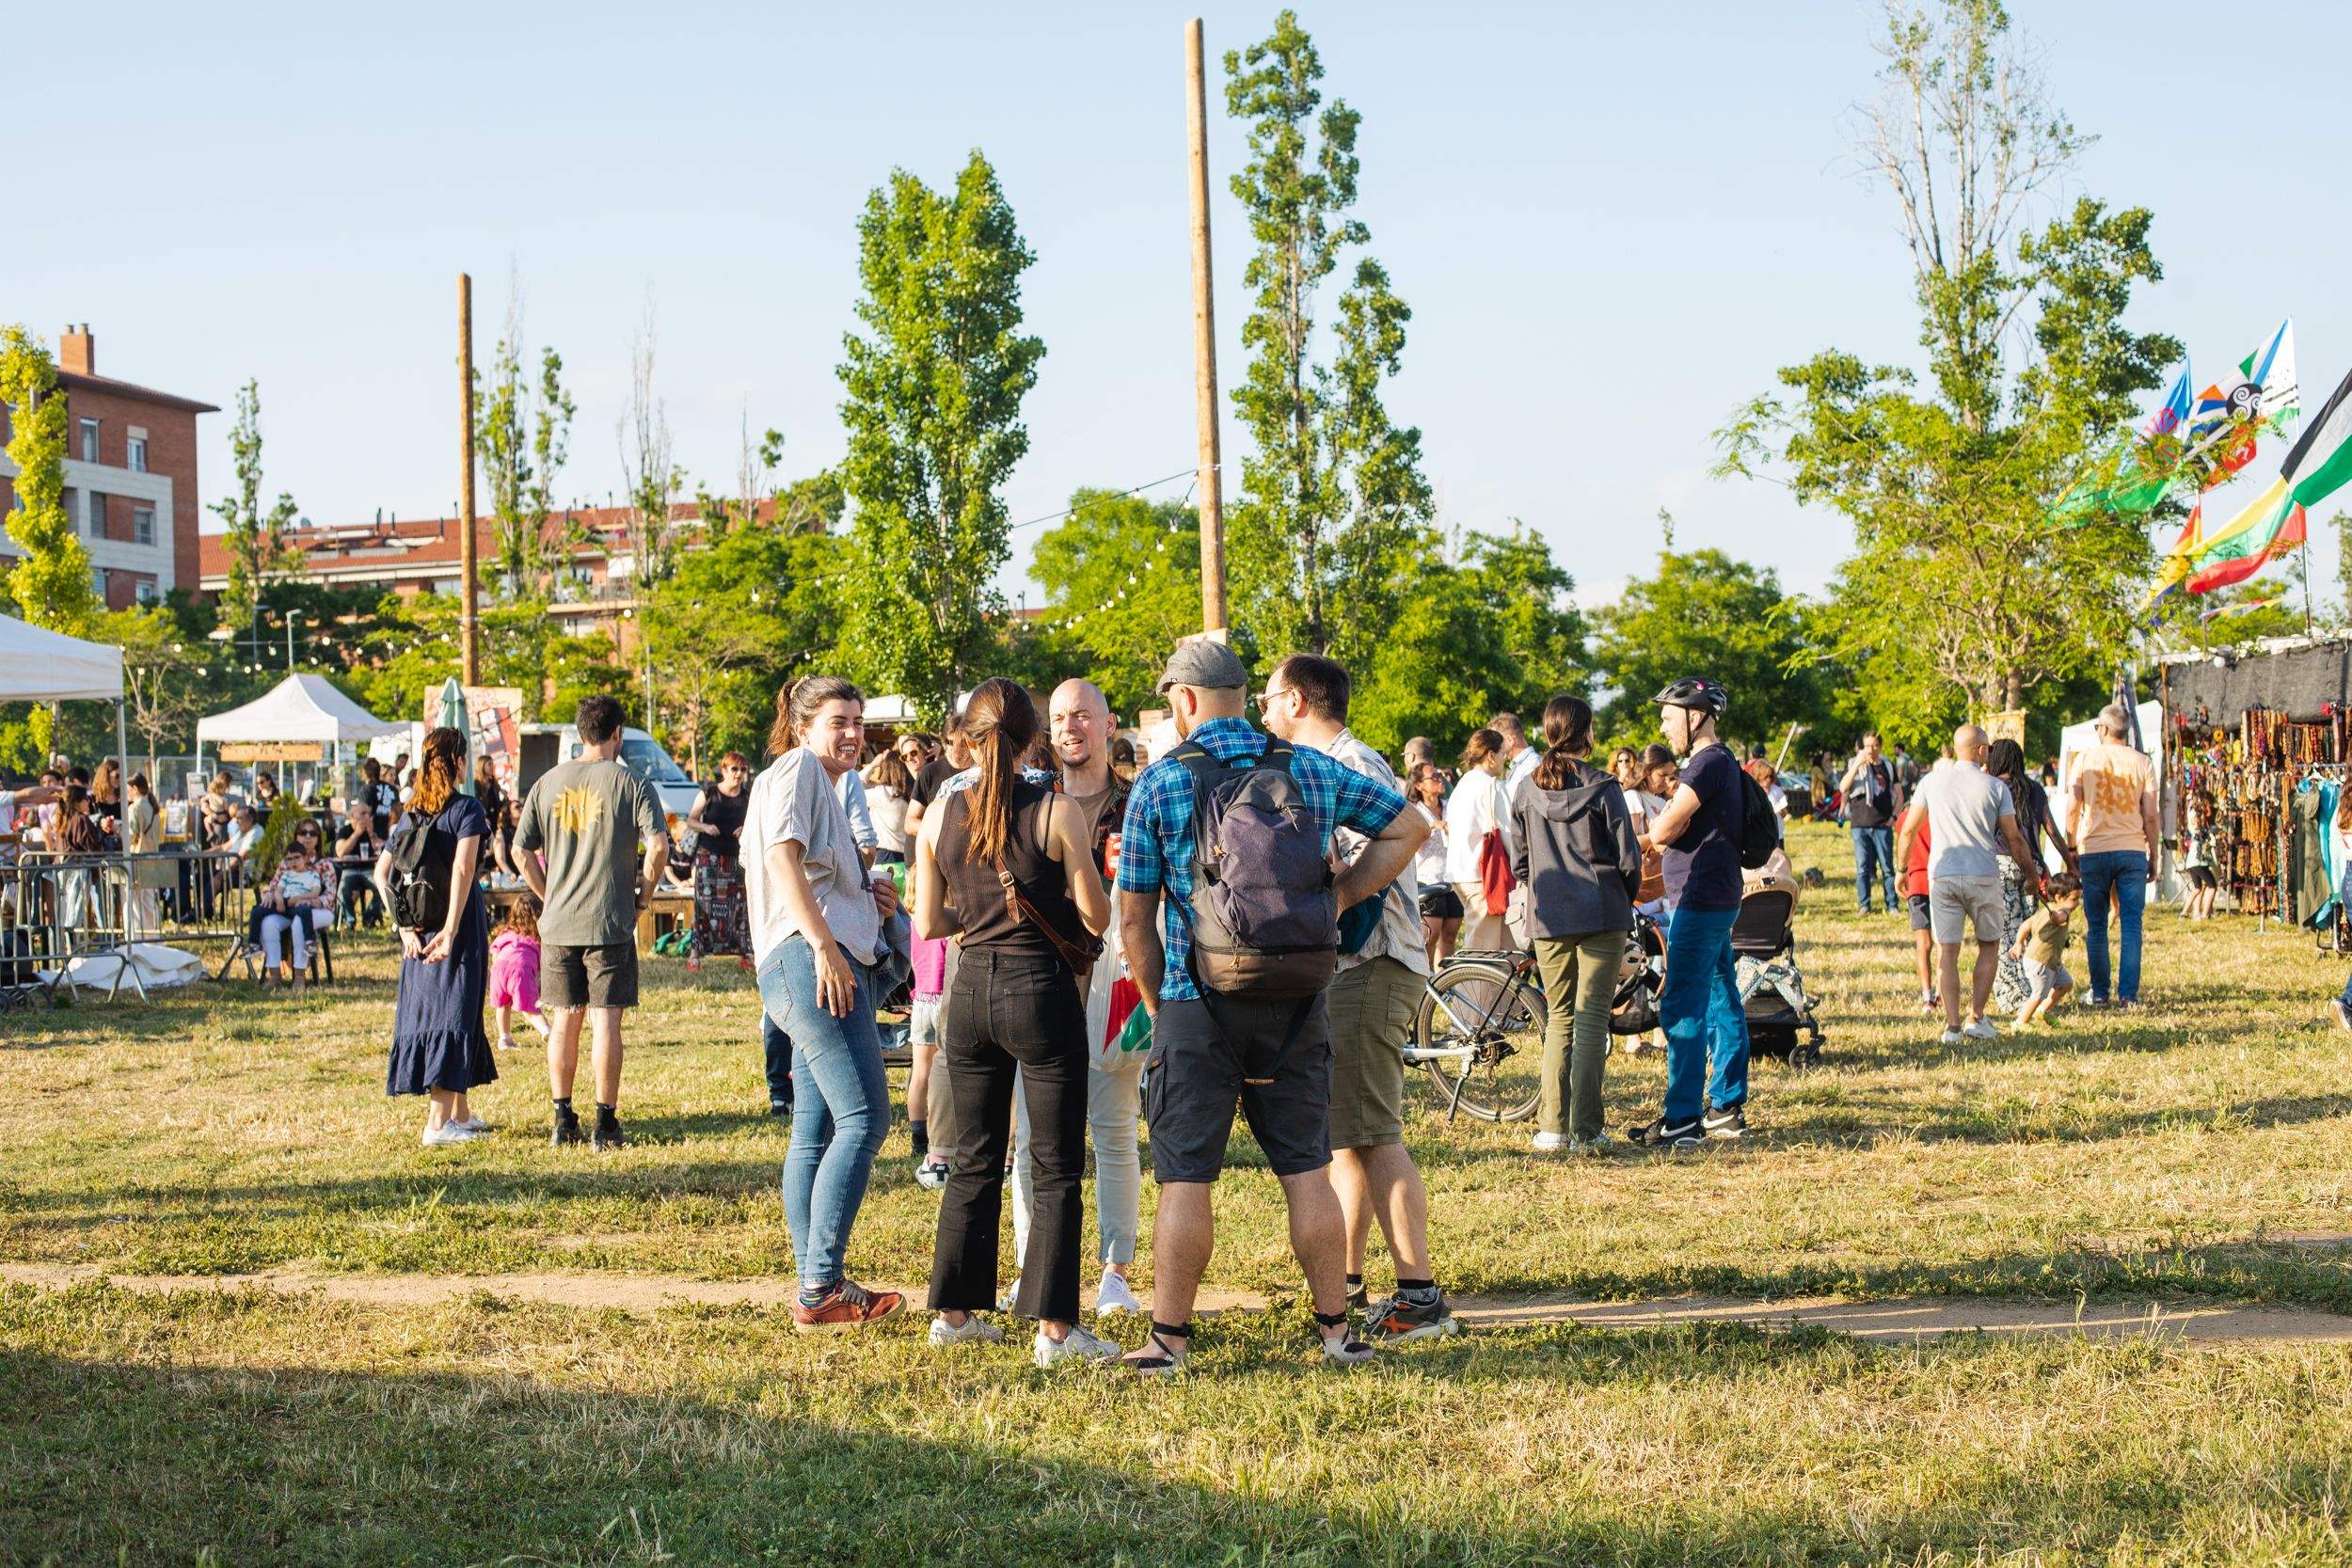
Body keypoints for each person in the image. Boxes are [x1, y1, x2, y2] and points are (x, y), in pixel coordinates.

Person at [1114, 637, 1424, 1374]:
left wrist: (1162, 1005)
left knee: (1186, 1175)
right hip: (1298, 993)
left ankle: (1170, 1339)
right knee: (1307, 1168)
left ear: (1184, 700)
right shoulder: (1309, 765)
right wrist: (1339, 896)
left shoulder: (1160, 783)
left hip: (1198, 996)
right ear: (1242, 694)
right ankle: (1334, 1334)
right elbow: (1411, 826)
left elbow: (1134, 918)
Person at [914, 678, 1119, 1366]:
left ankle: (953, 1313)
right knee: (1054, 1161)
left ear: (968, 738)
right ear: (1033, 735)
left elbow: (928, 921)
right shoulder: (1057, 810)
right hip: (1039, 989)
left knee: (972, 1157)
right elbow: (1096, 918)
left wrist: (977, 914)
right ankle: (1056, 1330)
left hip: (968, 990)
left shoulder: (940, 814)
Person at [1263, 655, 1457, 1341]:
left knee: (1375, 1134)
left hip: (1374, 962)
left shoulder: (1353, 764)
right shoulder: (1326, 762)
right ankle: (1347, 1282)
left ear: (1294, 700)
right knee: (1346, 1135)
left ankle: (1421, 1295)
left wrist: (1337, 889)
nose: (1260, 712)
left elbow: (1401, 837)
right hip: (1352, 966)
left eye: (1266, 698)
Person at [746, 675, 906, 1331]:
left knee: (813, 1129)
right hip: (808, 961)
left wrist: (867, 894)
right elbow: (783, 858)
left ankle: (817, 1279)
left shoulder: (822, 783)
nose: (852, 733)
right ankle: (820, 1285)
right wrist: (826, 945)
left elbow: (807, 869)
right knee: (866, 1117)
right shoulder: (799, 768)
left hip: (797, 962)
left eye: (858, 721)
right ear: (803, 724)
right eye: (838, 720)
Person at [1005, 677, 1145, 1317]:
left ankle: (1115, 1271)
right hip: (1045, 984)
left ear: (1108, 722)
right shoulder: (1029, 801)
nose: (1071, 727)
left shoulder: (1136, 803)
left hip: (1120, 984)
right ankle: (1033, 1268)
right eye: (1060, 717)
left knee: (1114, 1133)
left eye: (1083, 715)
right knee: (1033, 1135)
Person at [514, 694, 670, 1150]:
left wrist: (548, 894)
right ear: (616, 733)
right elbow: (658, 846)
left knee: (563, 1021)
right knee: (606, 1023)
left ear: (581, 733)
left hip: (558, 924)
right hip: (610, 922)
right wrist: (644, 894)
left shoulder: (546, 782)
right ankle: (606, 1124)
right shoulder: (632, 782)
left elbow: (520, 852)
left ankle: (563, 1119)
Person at [1514, 693, 1642, 1157]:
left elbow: (1521, 862)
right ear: (1585, 733)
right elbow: (1628, 859)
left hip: (1549, 915)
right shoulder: (1604, 788)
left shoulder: (1526, 788)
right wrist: (1622, 899)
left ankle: (1551, 1128)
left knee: (1559, 1020)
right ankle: (1586, 1129)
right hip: (1601, 910)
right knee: (1590, 1019)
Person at [1629, 678, 1751, 1150]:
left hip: (1698, 900)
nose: (1663, 724)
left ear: (1694, 715)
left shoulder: (1706, 763)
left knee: (1682, 1005)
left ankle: (1682, 1119)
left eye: (1668, 715)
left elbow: (1666, 824)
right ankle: (1724, 1106)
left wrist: (1639, 841)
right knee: (1721, 994)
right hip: (1715, 896)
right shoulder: (1721, 762)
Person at [376, 726, 498, 1147]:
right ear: (459, 761)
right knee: (453, 1013)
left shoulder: (410, 813)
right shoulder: (467, 809)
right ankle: (437, 1125)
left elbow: (381, 875)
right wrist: (450, 929)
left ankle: (460, 1114)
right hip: (455, 927)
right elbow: (464, 871)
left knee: (446, 1014)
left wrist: (403, 927)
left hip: (418, 929)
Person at [1896, 725, 2042, 1045]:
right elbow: (2014, 839)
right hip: (1982, 874)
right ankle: (1976, 1016)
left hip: (1943, 874)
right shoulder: (1994, 788)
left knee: (1948, 951)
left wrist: (1901, 869)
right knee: (1988, 944)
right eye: (1987, 748)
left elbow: (1908, 830)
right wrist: (2031, 873)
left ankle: (1952, 1027)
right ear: (1980, 750)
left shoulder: (1931, 782)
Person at [2070, 703, 2159, 1007]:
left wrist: (2071, 846)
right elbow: (2150, 815)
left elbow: (2073, 805)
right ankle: (2128, 996)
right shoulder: (2142, 763)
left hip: (2094, 849)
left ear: (2104, 729)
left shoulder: (2085, 759)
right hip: (2132, 848)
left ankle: (2099, 992)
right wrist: (2154, 854)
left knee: (2096, 925)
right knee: (2131, 924)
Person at [1986, 737, 2075, 1016]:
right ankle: (2032, 989)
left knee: (2006, 933)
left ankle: (2011, 994)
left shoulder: (1992, 788)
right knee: (2032, 931)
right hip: (2032, 870)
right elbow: (2052, 831)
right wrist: (2070, 863)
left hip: (2000, 865)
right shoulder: (2034, 789)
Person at [1444, 730, 1513, 953]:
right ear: (1491, 755)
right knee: (1484, 952)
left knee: (1496, 946)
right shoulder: (1492, 786)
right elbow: (1510, 834)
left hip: (1461, 872)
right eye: (1503, 753)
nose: (1506, 759)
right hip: (1484, 876)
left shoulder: (1462, 786)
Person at [685, 752, 753, 968]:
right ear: (724, 770)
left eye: (742, 770)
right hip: (709, 858)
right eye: (734, 769)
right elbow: (690, 821)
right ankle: (695, 953)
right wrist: (705, 827)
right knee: (703, 905)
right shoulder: (709, 794)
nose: (739, 774)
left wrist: (747, 828)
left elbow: (759, 822)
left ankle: (745, 953)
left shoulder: (749, 796)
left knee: (740, 906)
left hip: (736, 859)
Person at [258, 818, 334, 988]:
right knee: (269, 923)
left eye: (312, 833)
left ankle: (299, 975)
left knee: (300, 921)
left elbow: (330, 895)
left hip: (319, 911)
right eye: (303, 833)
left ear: (318, 838)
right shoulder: (287, 862)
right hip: (287, 908)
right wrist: (272, 896)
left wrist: (311, 901)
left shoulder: (324, 864)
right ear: (296, 836)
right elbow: (272, 886)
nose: (307, 837)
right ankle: (275, 975)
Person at [1840, 733, 1901, 914]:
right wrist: (1858, 764)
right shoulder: (1854, 764)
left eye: (1875, 746)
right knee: (1862, 868)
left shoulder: (1887, 765)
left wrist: (1894, 817)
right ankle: (1864, 905)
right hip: (1860, 824)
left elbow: (1899, 795)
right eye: (1867, 746)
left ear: (1880, 747)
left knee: (1887, 868)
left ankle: (1892, 905)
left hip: (1883, 823)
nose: (1871, 750)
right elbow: (1843, 788)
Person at [2010, 873, 2081, 1029]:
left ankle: (2042, 1010)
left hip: (2050, 962)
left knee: (2066, 983)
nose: (2077, 903)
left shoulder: (2042, 912)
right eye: (2074, 899)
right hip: (2040, 961)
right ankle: (2020, 1023)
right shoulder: (2063, 912)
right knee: (2038, 995)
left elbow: (2025, 926)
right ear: (2058, 898)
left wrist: (2019, 943)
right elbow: (2060, 917)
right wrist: (2018, 943)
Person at [1406, 763, 1460, 965]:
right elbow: (1412, 843)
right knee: (1431, 936)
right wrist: (1430, 827)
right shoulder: (1415, 811)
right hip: (1428, 880)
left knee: (1450, 935)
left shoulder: (1450, 806)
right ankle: (1425, 981)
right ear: (1419, 785)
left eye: (1439, 774)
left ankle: (1444, 983)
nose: (1439, 779)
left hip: (1452, 878)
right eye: (1433, 776)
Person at [488, 893, 547, 1051]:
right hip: (521, 970)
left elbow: (494, 951)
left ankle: (504, 1039)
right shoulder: (536, 939)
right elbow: (539, 965)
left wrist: (497, 970)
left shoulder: (506, 933)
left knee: (502, 1006)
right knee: (529, 1008)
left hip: (499, 969)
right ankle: (546, 1030)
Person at [121, 772, 167, 937]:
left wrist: (118, 831)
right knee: (149, 900)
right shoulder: (153, 807)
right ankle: (153, 935)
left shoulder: (135, 808)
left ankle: (135, 936)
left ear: (134, 788)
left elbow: (131, 835)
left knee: (133, 901)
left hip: (137, 857)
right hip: (151, 856)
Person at [1902, 812, 1938, 1013]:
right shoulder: (1941, 812)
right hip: (1939, 880)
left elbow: (1904, 844)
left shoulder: (1905, 816)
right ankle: (1942, 993)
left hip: (1916, 882)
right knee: (1944, 943)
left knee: (1923, 944)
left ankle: (1927, 996)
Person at [336, 799, 386, 928]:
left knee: (382, 887)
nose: (367, 817)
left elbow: (382, 850)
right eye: (363, 813)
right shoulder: (345, 831)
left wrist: (371, 834)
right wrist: (356, 834)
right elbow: (340, 851)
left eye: (368, 814)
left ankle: (369, 917)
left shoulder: (373, 830)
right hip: (349, 870)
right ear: (352, 816)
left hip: (368, 870)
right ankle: (350, 921)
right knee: (343, 889)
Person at [864, 749, 914, 864]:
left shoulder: (883, 794)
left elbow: (853, 787)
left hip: (886, 858)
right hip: (909, 859)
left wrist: (873, 765)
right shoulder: (912, 794)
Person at [2178, 798, 2219, 921]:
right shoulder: (2196, 830)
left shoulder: (2200, 830)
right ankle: (2205, 914)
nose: (2197, 820)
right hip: (2198, 862)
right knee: (2212, 886)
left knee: (2197, 888)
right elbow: (2192, 817)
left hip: (2193, 862)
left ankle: (2184, 913)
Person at [360, 757, 397, 839]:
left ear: (365, 772)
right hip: (393, 835)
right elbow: (398, 811)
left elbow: (366, 814)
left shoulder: (367, 789)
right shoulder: (392, 789)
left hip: (374, 836)